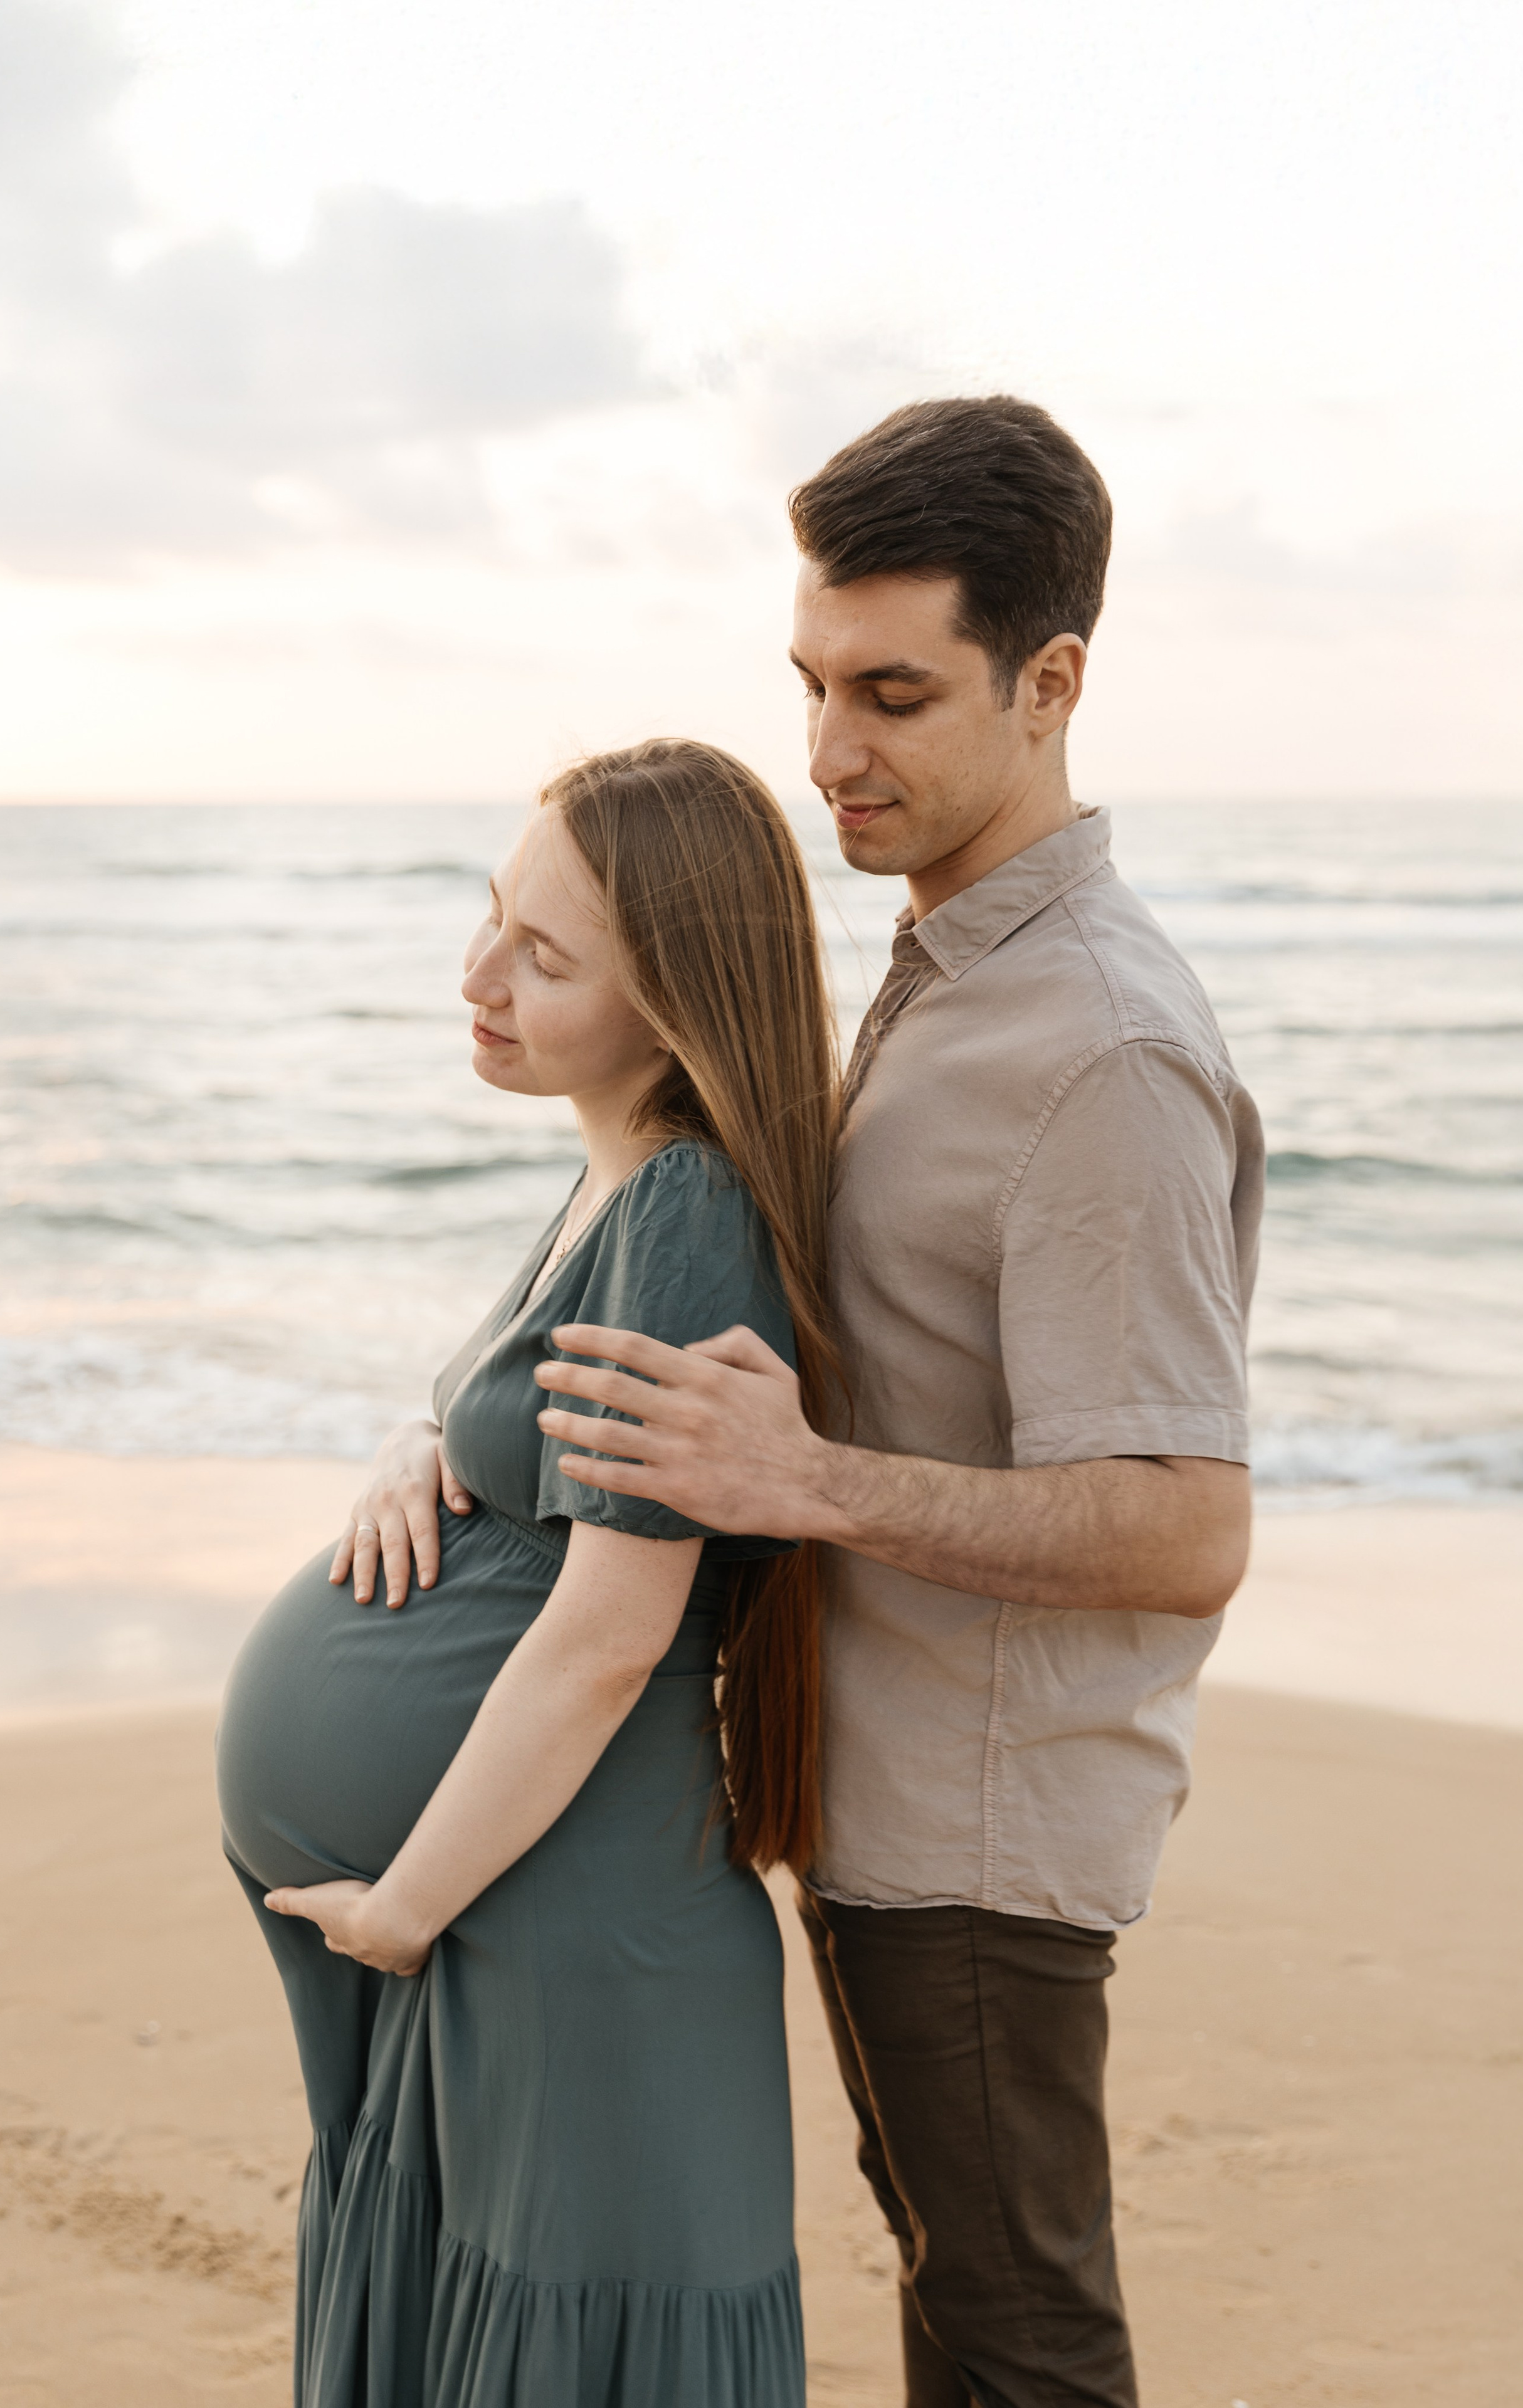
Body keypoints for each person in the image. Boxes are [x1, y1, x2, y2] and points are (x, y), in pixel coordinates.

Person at [532, 397, 1265, 2408]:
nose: (828, 750)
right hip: (890, 1801)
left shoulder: (1099, 1047)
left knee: (1020, 2340)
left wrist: (806, 1480)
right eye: (810, 683)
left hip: (983, 1837)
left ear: (1052, 685)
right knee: (965, 2298)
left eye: (892, 694)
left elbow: (1187, 1520)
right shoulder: (949, 961)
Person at [216, 740, 843, 2407]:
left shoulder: (686, 1205)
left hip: (571, 1939)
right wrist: (420, 1440)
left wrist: (402, 1911)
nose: (478, 975)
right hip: (528, 1910)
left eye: (545, 958)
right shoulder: (616, 1180)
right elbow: (538, 1457)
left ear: (677, 1007)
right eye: (493, 912)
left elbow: (609, 1633)